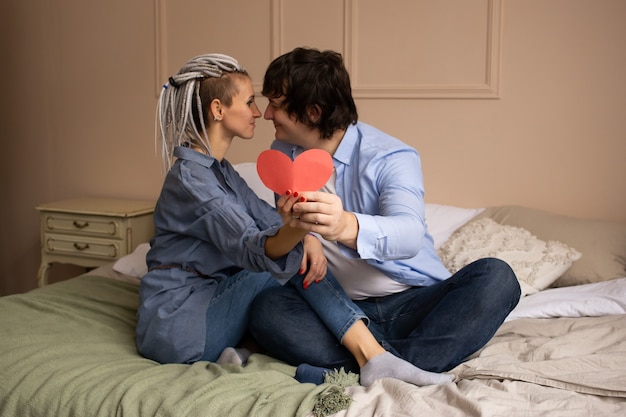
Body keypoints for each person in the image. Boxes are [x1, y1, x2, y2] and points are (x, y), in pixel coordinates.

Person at [135, 53, 451, 387]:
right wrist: (301, 236)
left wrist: (308, 236)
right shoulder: (191, 180)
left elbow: (265, 218)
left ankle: (276, 354)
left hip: (209, 306)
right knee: (285, 266)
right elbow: (251, 247)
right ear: (218, 110)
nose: (260, 112)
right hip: (179, 322)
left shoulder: (221, 172)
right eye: (251, 102)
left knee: (288, 267)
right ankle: (374, 358)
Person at [248, 47, 522, 384]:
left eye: (276, 105)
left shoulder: (391, 157)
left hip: (414, 303)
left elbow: (408, 234)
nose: (266, 115)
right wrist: (305, 236)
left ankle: (362, 367)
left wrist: (345, 225)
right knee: (266, 309)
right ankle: (397, 366)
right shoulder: (283, 156)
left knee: (498, 278)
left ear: (313, 112)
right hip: (339, 315)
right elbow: (291, 232)